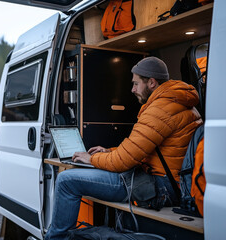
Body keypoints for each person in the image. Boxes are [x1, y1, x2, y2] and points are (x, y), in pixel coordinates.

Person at [45, 57, 203, 239]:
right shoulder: (179, 102)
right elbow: (137, 150)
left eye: (136, 84)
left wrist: (92, 159)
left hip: (160, 188)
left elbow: (125, 161)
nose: (132, 89)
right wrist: (109, 152)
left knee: (66, 180)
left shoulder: (161, 108)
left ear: (151, 82)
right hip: (167, 182)